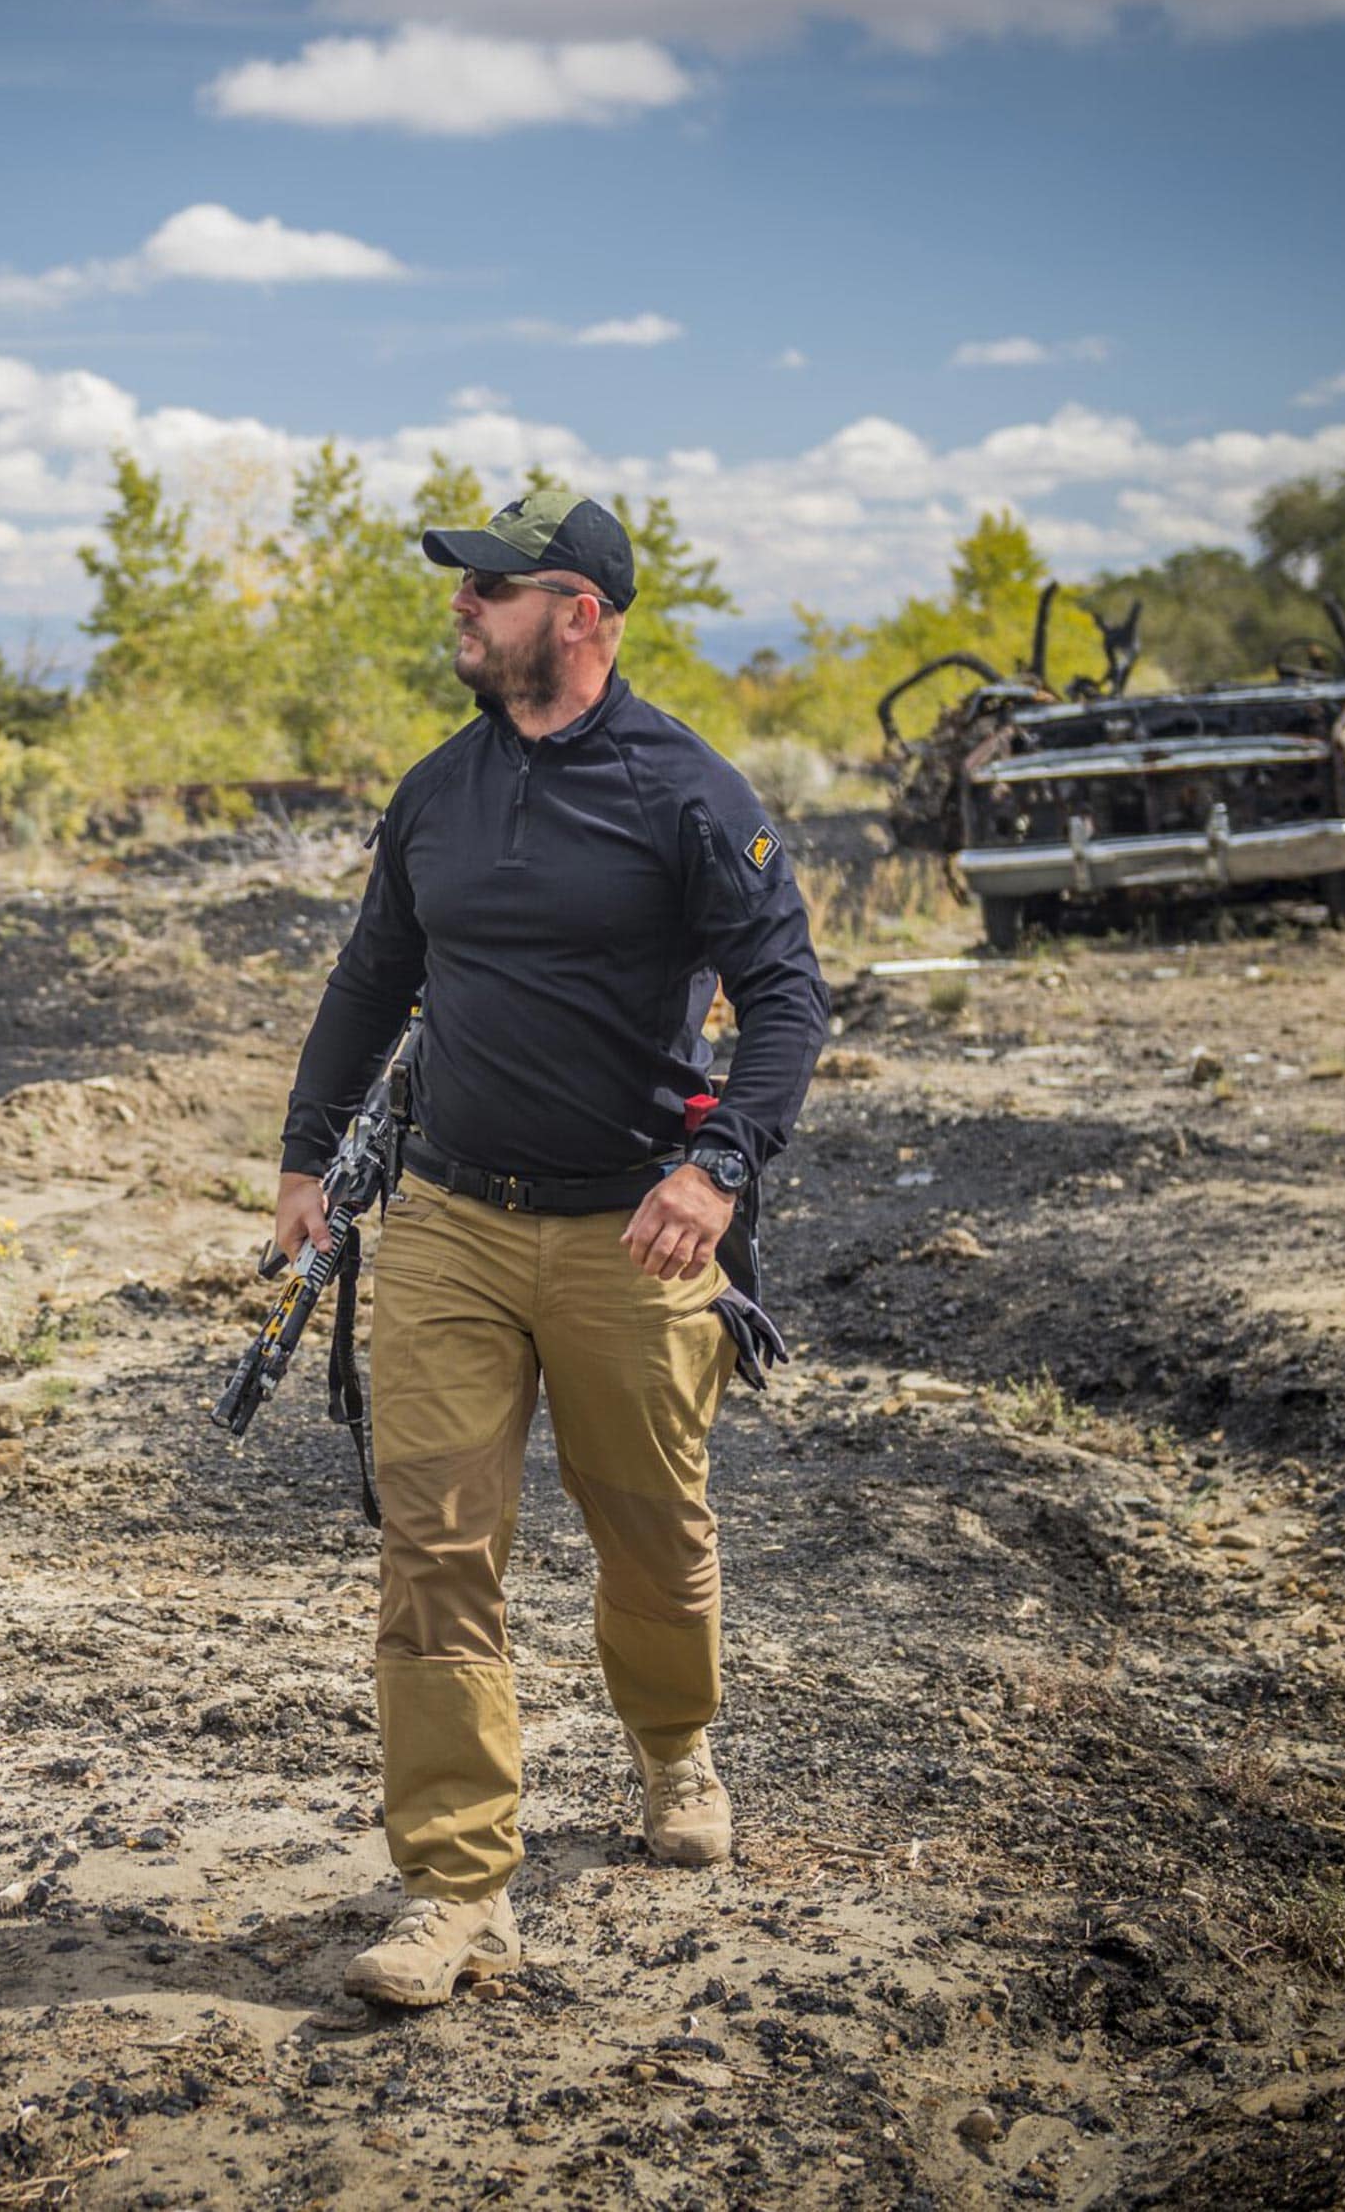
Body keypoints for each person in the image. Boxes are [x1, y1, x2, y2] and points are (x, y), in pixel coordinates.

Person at [274, 485, 828, 2007]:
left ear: (581, 614)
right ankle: (456, 1890)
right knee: (435, 1546)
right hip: (448, 1220)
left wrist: (719, 1169)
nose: (461, 606)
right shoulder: (437, 792)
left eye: (493, 588)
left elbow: (788, 998)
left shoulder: (689, 793)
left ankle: (674, 1746)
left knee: (651, 1532)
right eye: (463, 585)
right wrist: (309, 1157)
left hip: (634, 1234)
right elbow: (372, 976)